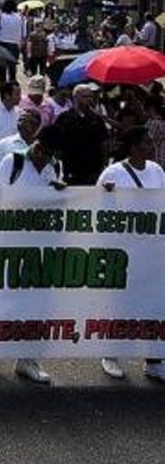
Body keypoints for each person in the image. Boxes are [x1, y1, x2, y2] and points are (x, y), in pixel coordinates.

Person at [0, 124, 68, 384]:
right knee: (5, 299)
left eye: (47, 152)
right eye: (39, 148)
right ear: (35, 142)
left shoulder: (53, 167)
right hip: (9, 243)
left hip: (39, 247)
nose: (40, 154)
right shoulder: (13, 162)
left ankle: (27, 359)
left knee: (38, 302)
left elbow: (56, 208)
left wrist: (59, 195)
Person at [94, 125, 165, 381]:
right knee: (120, 303)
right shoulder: (113, 173)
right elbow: (96, 206)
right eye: (147, 142)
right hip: (123, 251)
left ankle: (154, 360)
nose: (152, 146)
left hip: (151, 252)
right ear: (134, 147)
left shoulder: (157, 171)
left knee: (153, 305)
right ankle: (110, 354)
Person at [53, 83, 110, 186]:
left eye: (90, 97)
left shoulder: (96, 119)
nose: (89, 100)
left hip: (93, 172)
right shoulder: (64, 119)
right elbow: (56, 144)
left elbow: (104, 144)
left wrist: (103, 165)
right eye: (85, 97)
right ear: (75, 98)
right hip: (70, 171)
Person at [0, 0, 25, 84]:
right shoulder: (20, 18)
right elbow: (23, 34)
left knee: (2, 69)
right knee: (12, 68)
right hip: (15, 45)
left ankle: (3, 87)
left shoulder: (0, 17)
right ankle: (12, 86)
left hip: (2, 44)